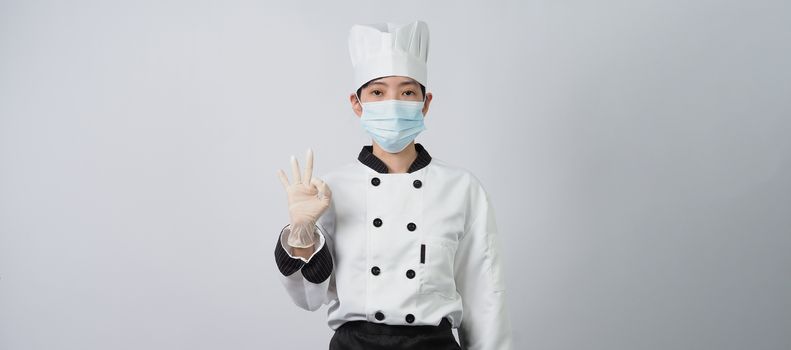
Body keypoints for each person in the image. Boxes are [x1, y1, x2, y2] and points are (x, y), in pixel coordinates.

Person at [274, 20, 512, 350]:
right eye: (377, 92)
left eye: (407, 92)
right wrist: (301, 234)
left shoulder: (461, 189)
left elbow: (486, 297)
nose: (393, 102)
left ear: (425, 102)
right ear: (357, 104)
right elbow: (308, 298)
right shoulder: (328, 190)